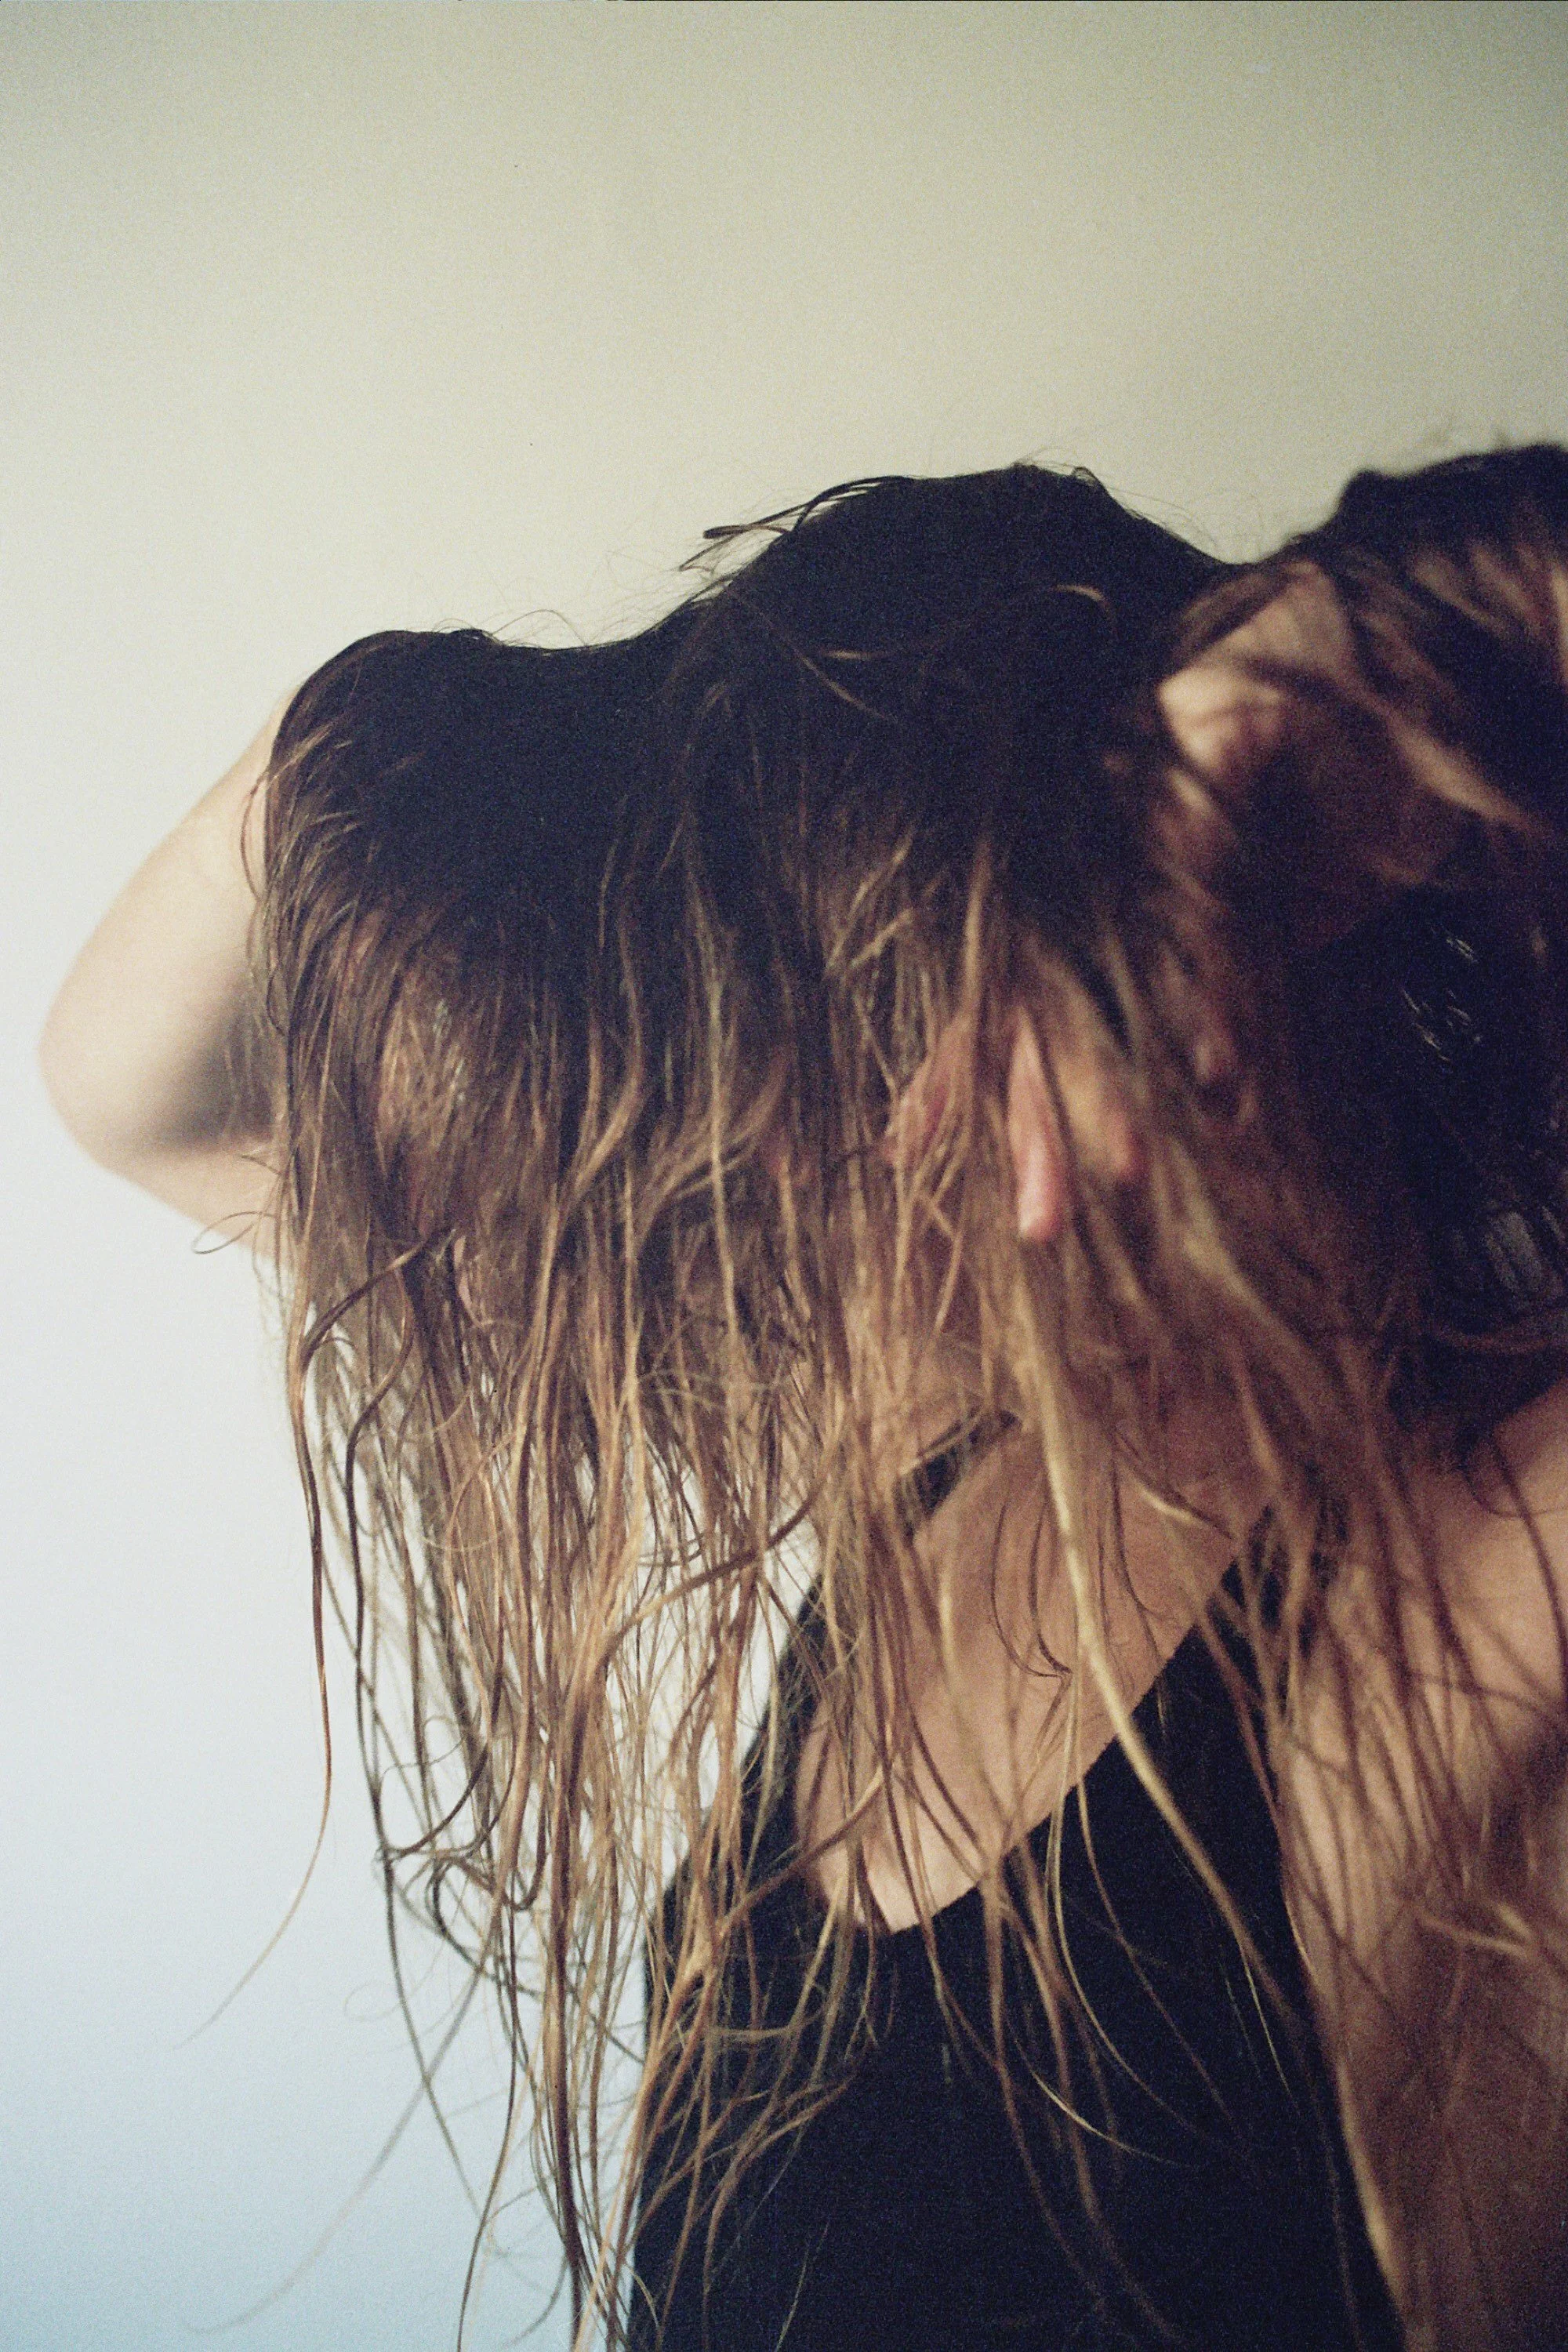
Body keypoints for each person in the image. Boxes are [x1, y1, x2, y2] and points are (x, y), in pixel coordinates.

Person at [39, 450, 1568, 2352]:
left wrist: (1350, 658)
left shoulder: (1479, 1597)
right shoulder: (941, 1440)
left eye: (826, 1003)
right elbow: (143, 1089)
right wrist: (402, 735)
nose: (754, 1166)